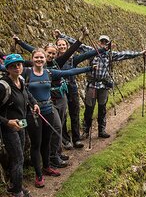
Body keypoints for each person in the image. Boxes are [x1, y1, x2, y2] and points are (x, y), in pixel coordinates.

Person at [1, 49, 95, 188]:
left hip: (48, 111)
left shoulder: (49, 72)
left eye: (41, 57)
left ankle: (46, 167)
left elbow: (68, 72)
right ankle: (38, 175)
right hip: (33, 115)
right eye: (36, 57)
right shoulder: (25, 72)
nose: (39, 59)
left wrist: (89, 68)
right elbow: (5, 66)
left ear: (45, 59)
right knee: (36, 144)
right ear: (32, 59)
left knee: (46, 142)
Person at [14, 31, 87, 168]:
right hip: (40, 105)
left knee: (58, 127)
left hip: (56, 99)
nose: (49, 56)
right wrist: (20, 43)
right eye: (48, 53)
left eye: (53, 53)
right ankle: (51, 158)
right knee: (52, 130)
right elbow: (20, 58)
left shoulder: (56, 63)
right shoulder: (32, 66)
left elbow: (71, 58)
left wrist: (87, 67)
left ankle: (55, 154)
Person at [57, 31, 146, 138]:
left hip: (104, 85)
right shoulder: (91, 50)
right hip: (92, 85)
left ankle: (101, 130)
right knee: (89, 108)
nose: (103, 43)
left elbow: (125, 54)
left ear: (108, 43)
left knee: (102, 108)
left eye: (106, 42)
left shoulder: (111, 54)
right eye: (102, 42)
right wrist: (61, 36)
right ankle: (86, 131)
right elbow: (76, 45)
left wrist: (140, 53)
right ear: (99, 43)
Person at [54, 36, 107, 149]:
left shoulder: (73, 59)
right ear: (56, 47)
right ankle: (65, 140)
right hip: (59, 91)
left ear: (67, 47)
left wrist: (103, 50)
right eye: (59, 45)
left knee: (74, 113)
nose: (62, 46)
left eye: (64, 45)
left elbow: (87, 54)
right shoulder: (53, 61)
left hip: (72, 88)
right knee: (62, 115)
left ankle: (76, 139)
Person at [0, 54, 38, 197]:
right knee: (18, 158)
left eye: (19, 64)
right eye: (13, 66)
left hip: (21, 124)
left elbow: (27, 94)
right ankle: (17, 191)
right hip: (9, 128)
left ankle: (16, 185)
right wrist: (7, 122)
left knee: (19, 156)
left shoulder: (20, 81)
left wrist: (34, 103)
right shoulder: (3, 86)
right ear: (7, 69)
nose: (17, 67)